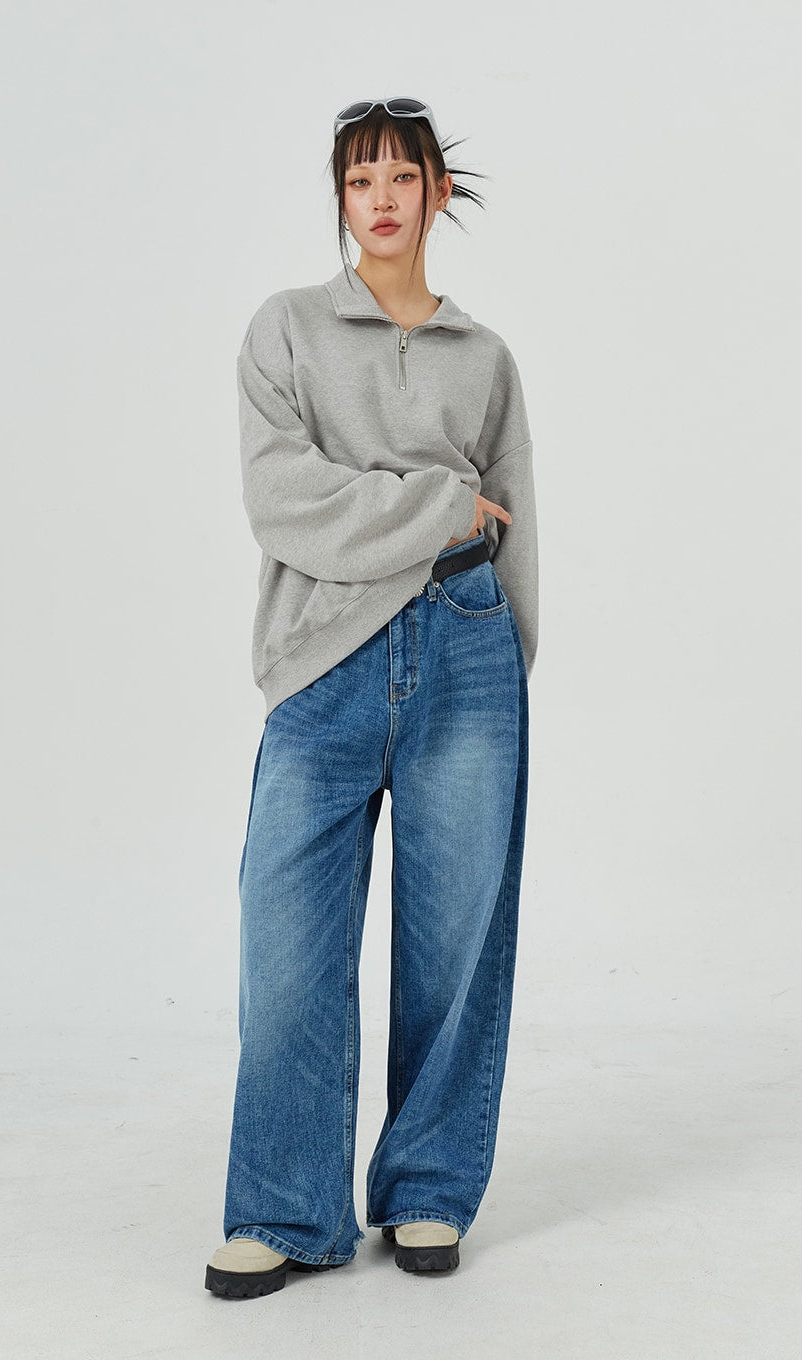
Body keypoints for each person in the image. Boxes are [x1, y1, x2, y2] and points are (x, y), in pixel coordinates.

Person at [204, 96, 539, 1300]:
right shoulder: (287, 329)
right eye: (359, 180)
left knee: (456, 944)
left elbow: (515, 517)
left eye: (402, 176)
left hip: (465, 645)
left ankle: (429, 1189)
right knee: (286, 948)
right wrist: (436, 502)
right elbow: (282, 498)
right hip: (322, 658)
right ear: (340, 198)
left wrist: (511, 662)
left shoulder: (483, 357)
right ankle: (284, 1208)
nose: (381, 199)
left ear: (437, 192)